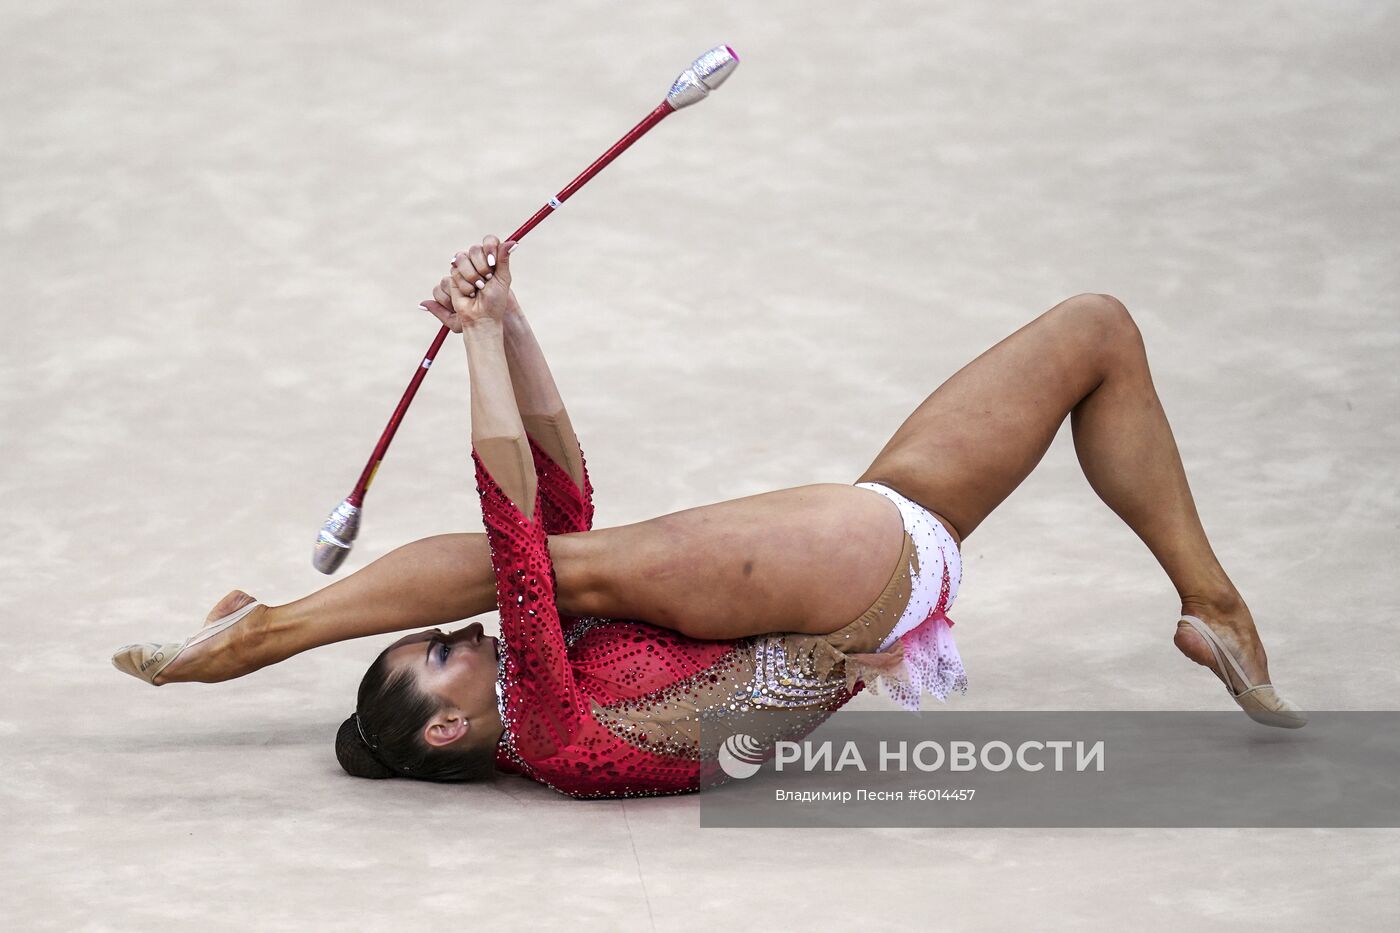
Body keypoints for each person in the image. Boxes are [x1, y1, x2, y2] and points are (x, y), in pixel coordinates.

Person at [112, 234, 1305, 798]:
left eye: (438, 633)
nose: (459, 636)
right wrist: (476, 344)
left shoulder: (545, 681)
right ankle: (275, 631)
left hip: (879, 553)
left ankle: (1214, 604)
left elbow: (561, 504)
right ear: (446, 734)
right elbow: (520, 550)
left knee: (1092, 330)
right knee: (544, 561)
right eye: (438, 658)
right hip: (835, 590)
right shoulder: (555, 732)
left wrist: (513, 324)